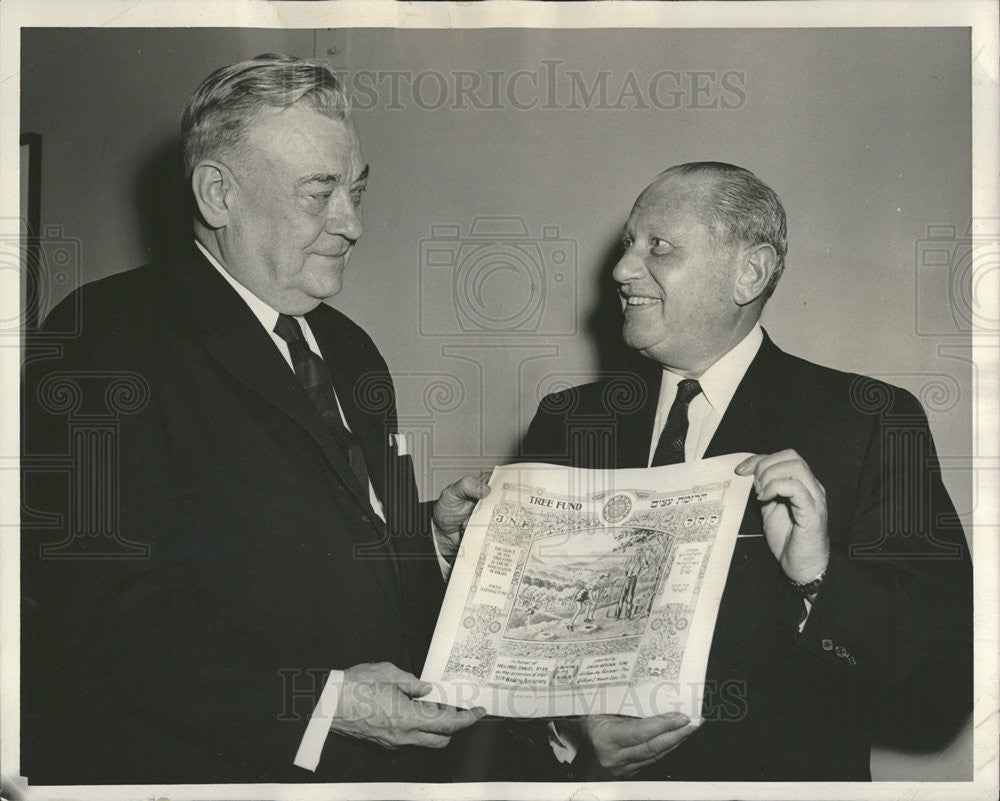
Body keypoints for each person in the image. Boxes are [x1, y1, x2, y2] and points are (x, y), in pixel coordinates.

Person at [20, 55, 489, 784]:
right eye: (319, 192)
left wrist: (426, 536)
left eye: (357, 191)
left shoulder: (351, 349)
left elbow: (341, 544)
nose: (353, 223)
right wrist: (322, 701)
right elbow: (104, 615)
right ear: (218, 194)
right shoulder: (104, 334)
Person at [522, 162, 973, 781]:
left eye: (659, 246)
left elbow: (946, 676)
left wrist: (818, 579)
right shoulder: (567, 421)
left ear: (749, 273)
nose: (622, 269)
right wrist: (571, 732)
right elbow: (516, 645)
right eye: (629, 244)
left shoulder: (868, 421)